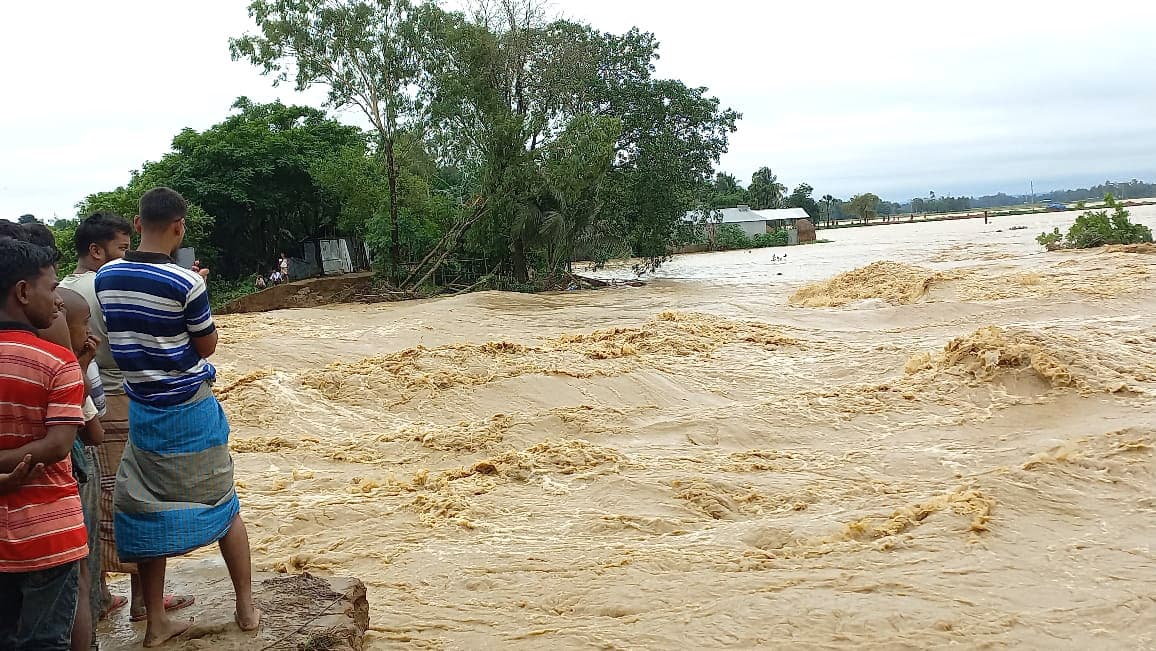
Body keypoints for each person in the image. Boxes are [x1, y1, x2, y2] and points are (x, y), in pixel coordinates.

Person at [95, 188, 259, 647]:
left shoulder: (107, 276)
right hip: (189, 408)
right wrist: (190, 287)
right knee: (224, 502)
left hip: (143, 410)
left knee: (146, 507)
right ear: (179, 226)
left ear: (138, 220)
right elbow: (206, 345)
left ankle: (155, 625)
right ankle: (245, 607)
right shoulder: (187, 284)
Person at [60, 212, 197, 625]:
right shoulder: (103, 285)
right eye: (121, 249)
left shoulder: (65, 289)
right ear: (96, 250)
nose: (126, 257)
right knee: (135, 496)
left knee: (98, 498)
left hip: (89, 400)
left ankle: (100, 595)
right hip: (121, 398)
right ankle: (143, 601)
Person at [0, 238, 89, 650]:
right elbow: (57, 445)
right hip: (49, 534)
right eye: (51, 288)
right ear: (21, 292)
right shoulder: (57, 361)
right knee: (45, 641)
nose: (57, 303)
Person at [40, 289, 105, 651]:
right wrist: (81, 365)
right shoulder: (64, 368)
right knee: (80, 573)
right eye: (82, 324)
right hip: (71, 480)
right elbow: (93, 432)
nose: (88, 331)